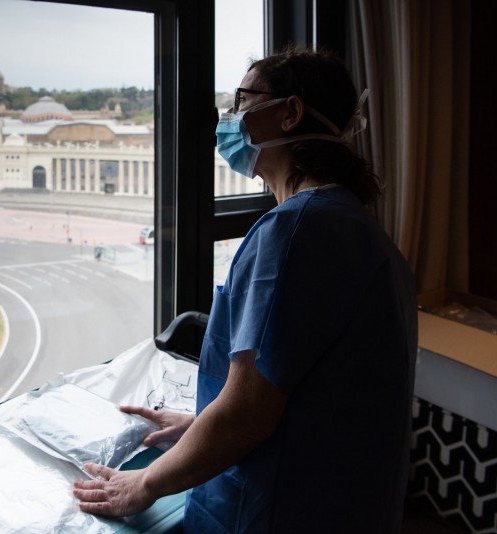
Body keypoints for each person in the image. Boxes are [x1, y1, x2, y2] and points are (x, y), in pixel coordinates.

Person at [73, 47, 417, 533]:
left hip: (283, 509)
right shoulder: (356, 228)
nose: (230, 118)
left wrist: (143, 484)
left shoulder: (297, 231)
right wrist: (197, 428)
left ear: (290, 113)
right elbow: (312, 390)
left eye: (242, 101)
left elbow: (248, 412)